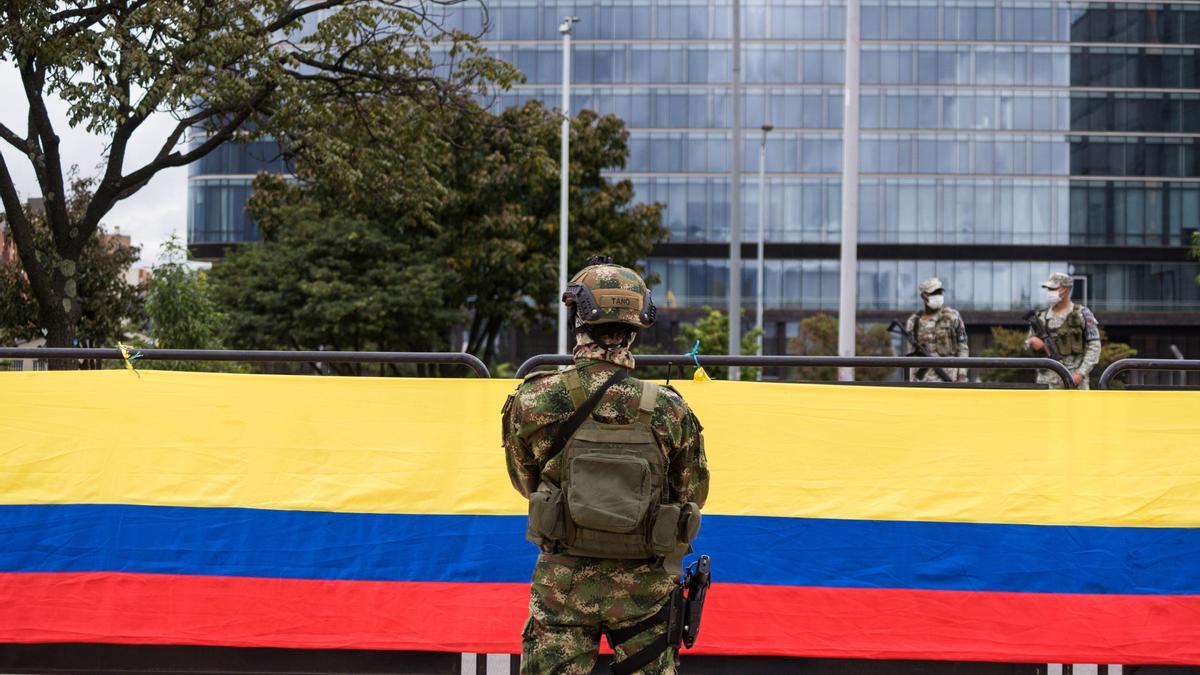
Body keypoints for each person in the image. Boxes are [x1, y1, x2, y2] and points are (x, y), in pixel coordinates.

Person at [502, 256, 709, 675]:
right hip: (645, 588)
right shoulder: (670, 409)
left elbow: (524, 481)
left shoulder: (534, 400)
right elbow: (692, 493)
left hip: (563, 583)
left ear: (577, 318)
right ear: (636, 326)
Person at [1025, 272, 1101, 390]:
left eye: (1053, 288)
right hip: (1047, 383)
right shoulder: (1040, 317)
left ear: (1066, 289)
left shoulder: (1082, 314)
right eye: (1048, 289)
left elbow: (1094, 346)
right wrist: (1032, 343)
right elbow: (1026, 345)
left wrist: (1080, 373)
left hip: (1074, 382)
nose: (1050, 292)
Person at [904, 277, 969, 382]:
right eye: (933, 293)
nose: (938, 296)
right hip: (922, 382)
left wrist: (961, 375)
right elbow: (911, 354)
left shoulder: (952, 316)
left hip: (950, 380)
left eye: (939, 292)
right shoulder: (913, 321)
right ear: (924, 296)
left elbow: (963, 348)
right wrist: (911, 381)